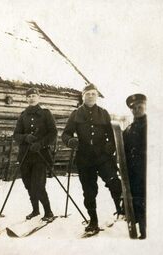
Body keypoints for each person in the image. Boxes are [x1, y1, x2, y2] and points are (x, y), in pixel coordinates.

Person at [62, 83, 122, 233]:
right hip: (84, 159)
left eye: (93, 94)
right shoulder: (75, 114)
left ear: (97, 96)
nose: (90, 96)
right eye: (87, 94)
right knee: (88, 191)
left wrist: (111, 147)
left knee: (114, 183)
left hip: (103, 157)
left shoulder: (103, 113)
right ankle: (93, 221)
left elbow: (112, 135)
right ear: (82, 96)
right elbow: (65, 134)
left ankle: (121, 212)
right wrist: (70, 141)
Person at [13, 88, 58, 221]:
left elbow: (53, 133)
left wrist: (41, 143)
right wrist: (26, 137)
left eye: (34, 96)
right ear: (26, 99)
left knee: (38, 185)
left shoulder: (46, 113)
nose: (31, 98)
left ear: (39, 97)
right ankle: (35, 210)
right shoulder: (23, 115)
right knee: (28, 185)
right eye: (29, 96)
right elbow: (16, 135)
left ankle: (48, 212)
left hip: (40, 155)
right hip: (25, 156)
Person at [123, 93, 147, 239]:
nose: (137, 110)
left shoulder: (153, 126)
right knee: (137, 200)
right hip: (133, 173)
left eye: (140, 106)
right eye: (134, 108)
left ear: (145, 107)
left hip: (147, 172)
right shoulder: (128, 130)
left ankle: (146, 232)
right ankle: (142, 230)